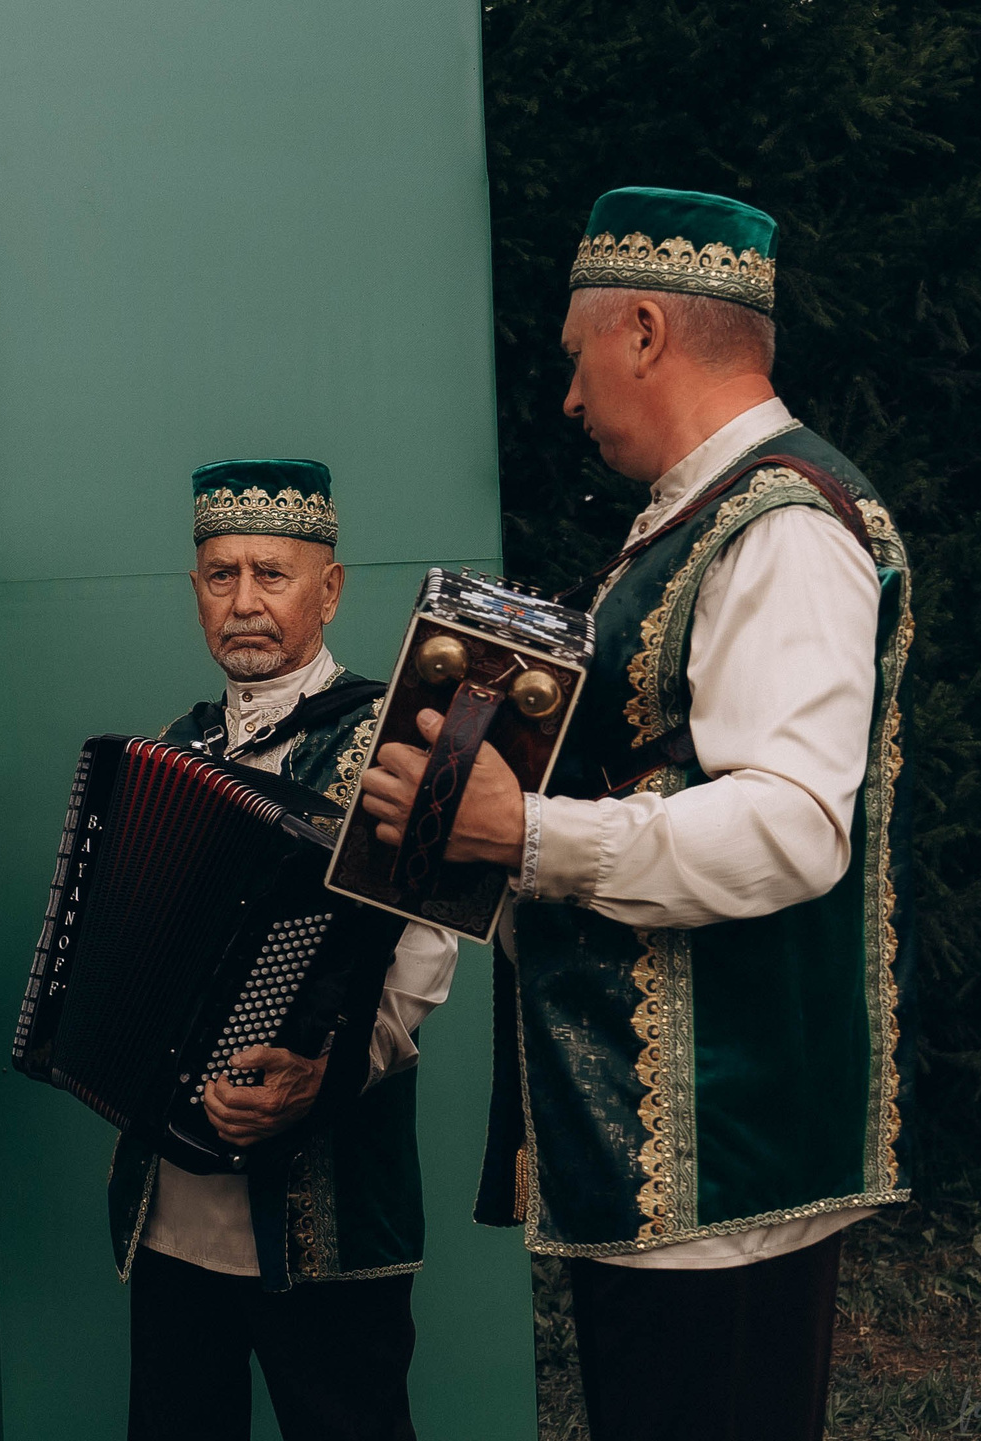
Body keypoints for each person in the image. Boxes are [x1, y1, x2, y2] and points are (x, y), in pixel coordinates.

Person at [356, 189, 912, 1441]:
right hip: (662, 1162)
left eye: (577, 355)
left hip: (727, 1156)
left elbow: (791, 826)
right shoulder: (692, 520)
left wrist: (524, 834)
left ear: (646, 330)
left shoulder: (782, 527)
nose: (566, 396)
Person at [112, 460, 457, 1441]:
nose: (244, 601)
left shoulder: (395, 744)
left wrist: (326, 1069)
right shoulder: (170, 749)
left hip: (330, 1200)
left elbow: (425, 952)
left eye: (272, 573)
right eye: (221, 575)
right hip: (170, 1211)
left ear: (329, 588)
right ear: (196, 591)